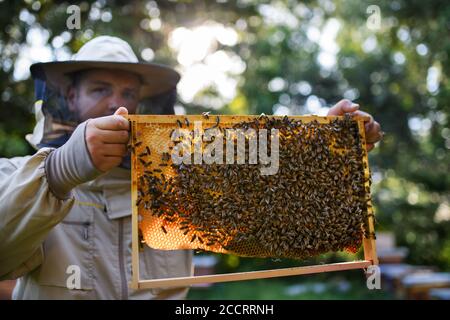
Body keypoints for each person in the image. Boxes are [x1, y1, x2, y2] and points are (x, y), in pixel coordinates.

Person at [0, 35, 383, 300]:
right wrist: (61, 171)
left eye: (129, 93)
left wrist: (323, 147)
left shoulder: (177, 182)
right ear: (69, 96)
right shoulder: (19, 175)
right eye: (100, 89)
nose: (118, 105)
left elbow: (264, 196)